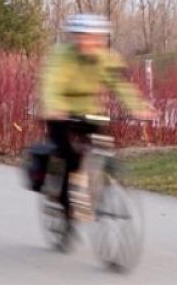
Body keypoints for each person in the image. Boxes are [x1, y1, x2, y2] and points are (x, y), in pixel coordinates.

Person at [39, 14, 153, 228]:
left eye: (93, 37)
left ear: (101, 39)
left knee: (102, 144)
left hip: (89, 111)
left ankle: (97, 184)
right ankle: (66, 202)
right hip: (60, 112)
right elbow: (51, 84)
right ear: (74, 38)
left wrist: (137, 108)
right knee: (69, 155)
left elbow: (120, 86)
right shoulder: (61, 56)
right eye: (82, 37)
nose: (88, 42)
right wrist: (54, 106)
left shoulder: (107, 58)